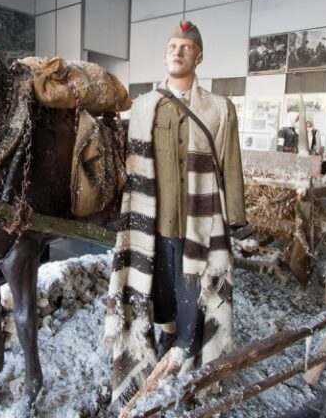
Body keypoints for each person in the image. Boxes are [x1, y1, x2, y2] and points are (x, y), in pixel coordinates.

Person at [104, 20, 246, 406]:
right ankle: (153, 352)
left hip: (198, 225)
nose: (177, 52)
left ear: (199, 56)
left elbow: (230, 164)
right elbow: (131, 166)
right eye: (172, 46)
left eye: (185, 47)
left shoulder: (219, 108)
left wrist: (233, 218)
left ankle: (188, 358)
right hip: (152, 225)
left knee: (193, 296)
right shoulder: (145, 105)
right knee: (156, 294)